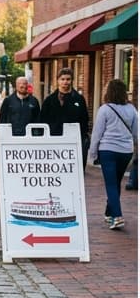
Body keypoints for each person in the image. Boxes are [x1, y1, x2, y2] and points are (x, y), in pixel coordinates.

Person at [88, 79, 137, 230]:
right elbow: (136, 133)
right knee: (115, 183)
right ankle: (109, 213)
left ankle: (118, 216)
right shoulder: (132, 109)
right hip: (125, 151)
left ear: (108, 91)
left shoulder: (105, 109)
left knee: (110, 184)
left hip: (108, 150)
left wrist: (92, 152)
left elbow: (97, 133)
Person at [40, 68, 91, 160]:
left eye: (68, 79)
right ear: (58, 80)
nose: (65, 82)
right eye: (62, 79)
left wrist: (83, 137)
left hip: (73, 139)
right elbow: (43, 120)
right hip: (54, 139)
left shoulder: (79, 99)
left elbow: (84, 118)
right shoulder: (49, 100)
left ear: (72, 80)